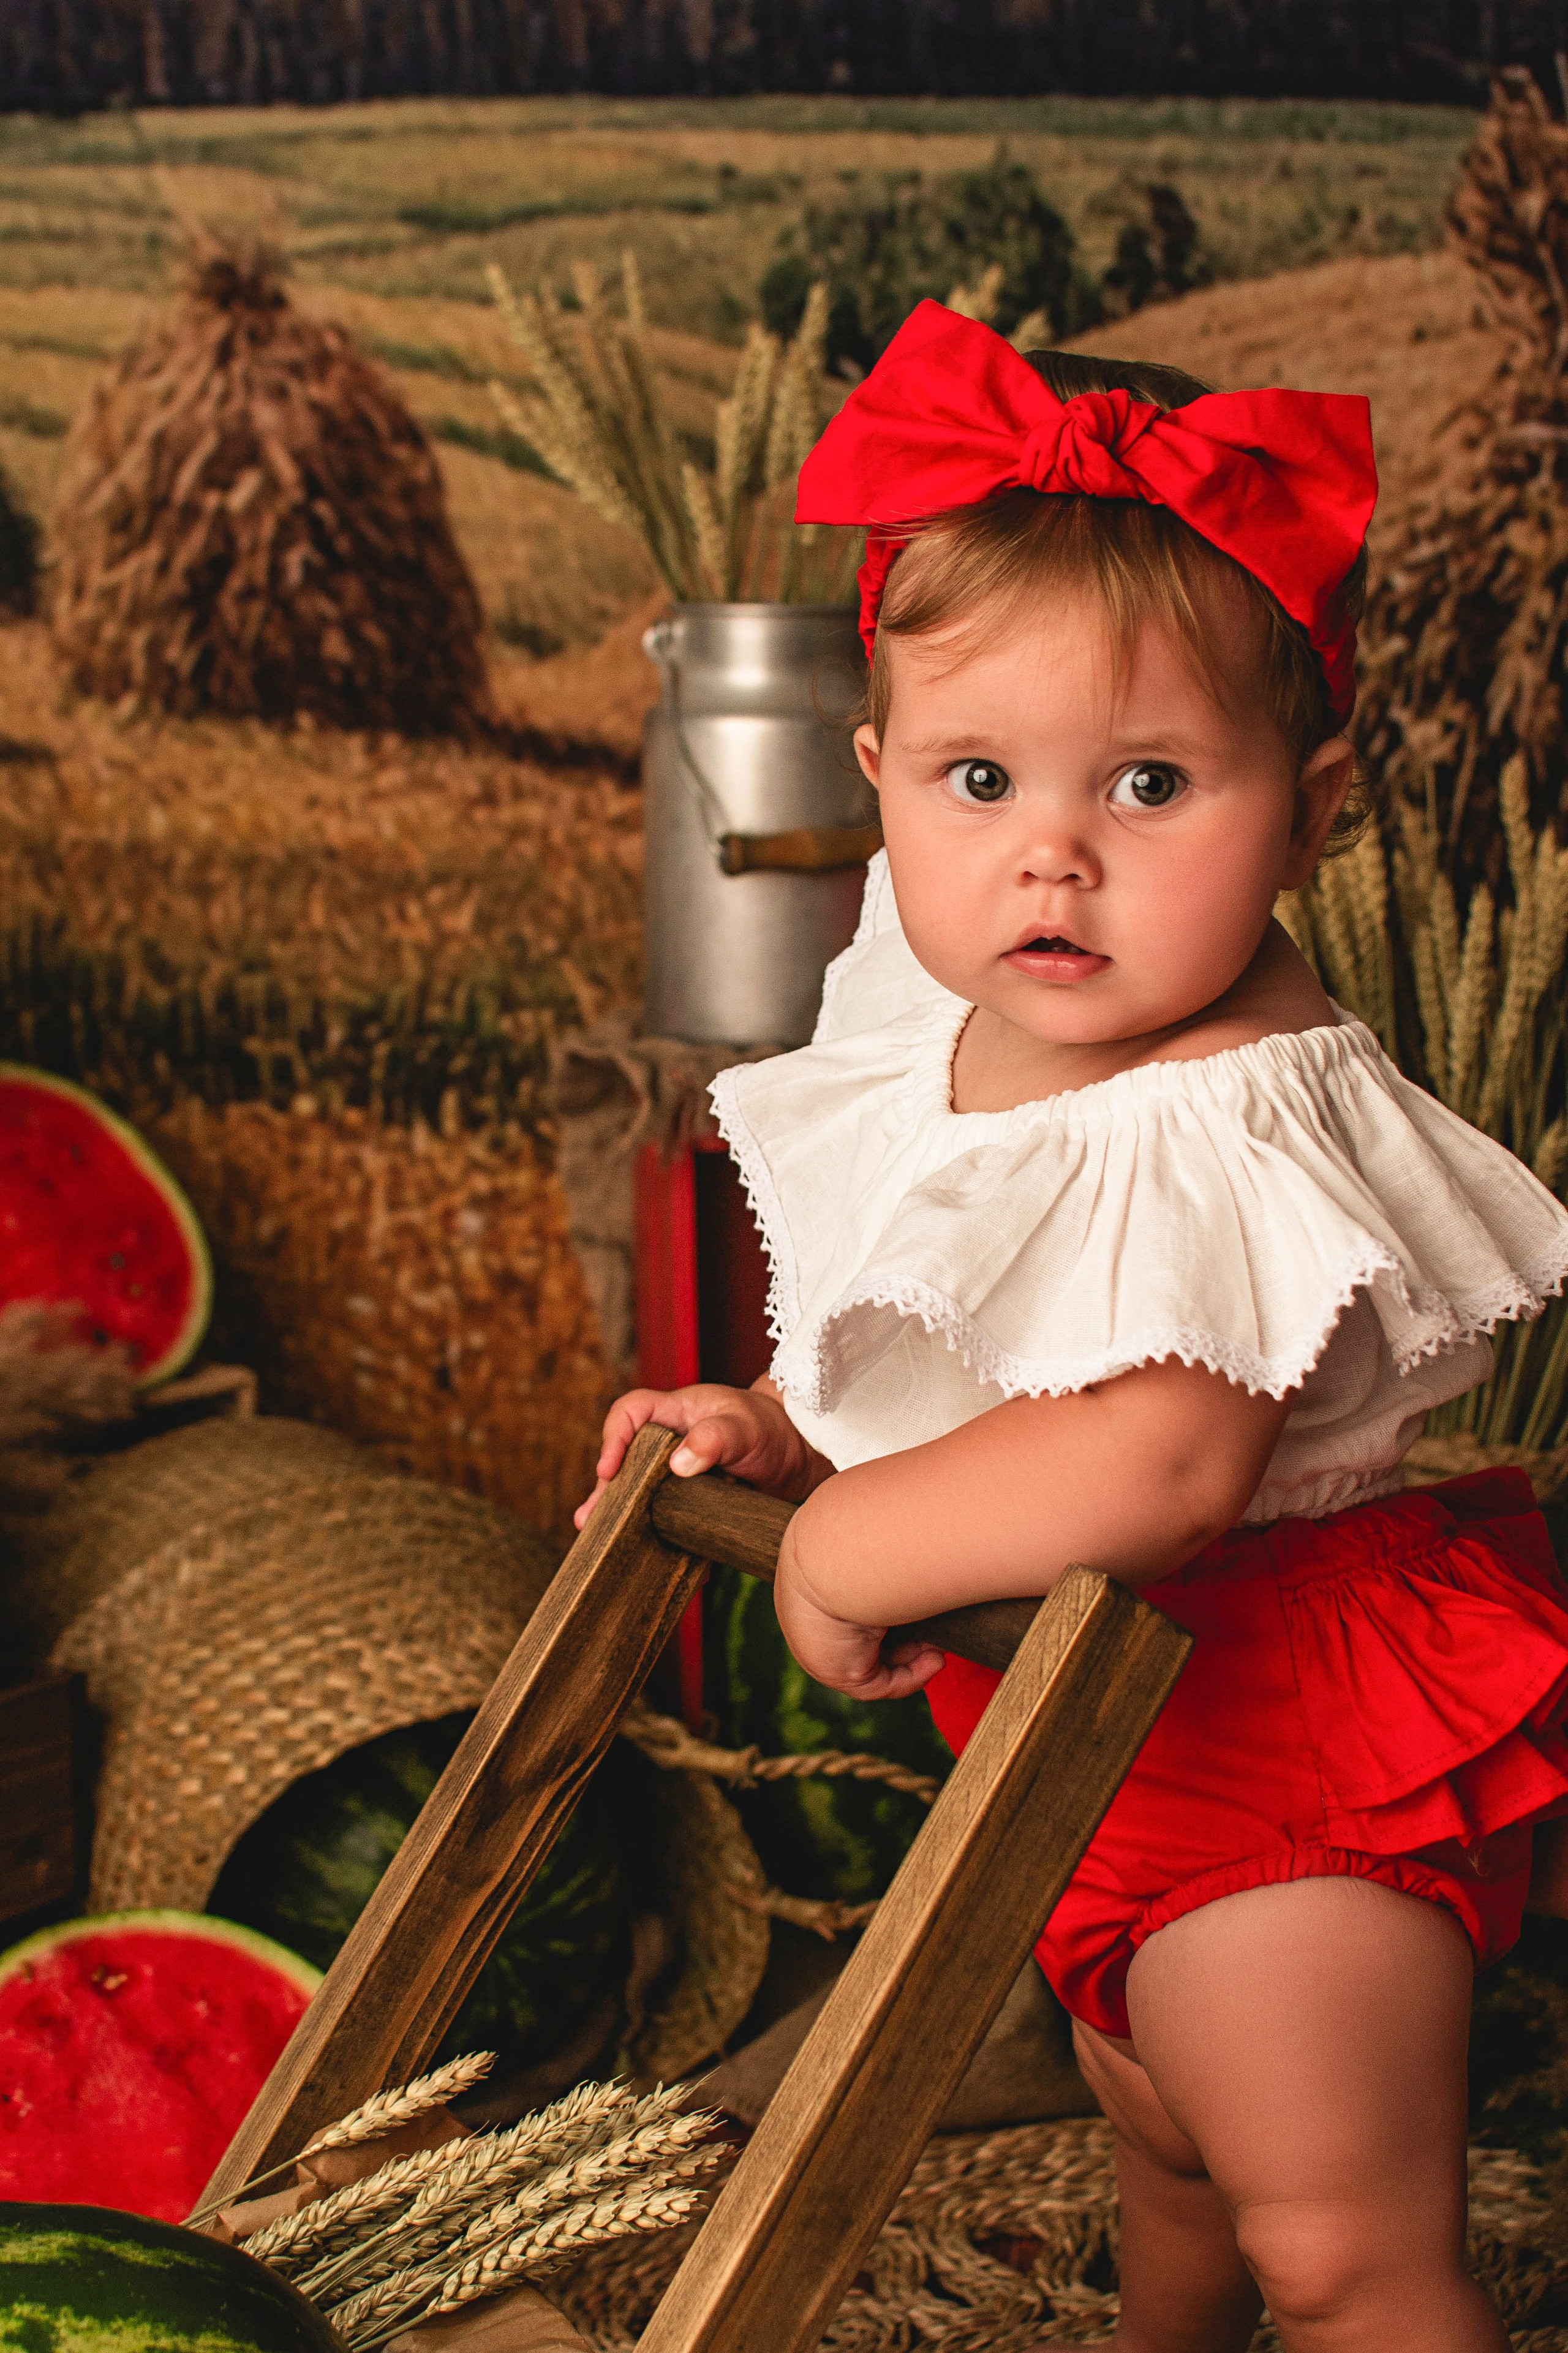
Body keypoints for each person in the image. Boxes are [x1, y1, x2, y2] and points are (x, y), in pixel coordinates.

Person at [578, 300, 1568, 2351]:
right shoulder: (969, 1023)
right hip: (1084, 1748)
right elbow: (961, 1314)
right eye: (977, 776)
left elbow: (1158, 1455)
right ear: (877, 785)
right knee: (1175, 2196)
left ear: (1307, 812)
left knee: (1342, 2250)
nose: (1055, 850)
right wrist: (792, 1425)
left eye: (1148, 782)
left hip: (1276, 1750)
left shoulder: (1217, 1095)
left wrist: (858, 1544)